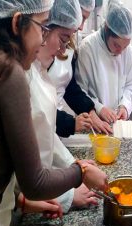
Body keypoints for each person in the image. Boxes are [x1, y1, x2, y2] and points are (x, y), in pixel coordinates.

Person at [0, 1, 107, 226]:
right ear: (16, 23)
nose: (41, 38)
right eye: (41, 26)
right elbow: (34, 182)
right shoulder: (6, 72)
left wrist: (21, 202)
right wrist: (81, 171)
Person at [21, 0, 99, 215]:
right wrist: (70, 186)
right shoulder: (18, 79)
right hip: (4, 208)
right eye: (63, 39)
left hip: (30, 196)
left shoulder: (38, 72)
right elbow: (17, 170)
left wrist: (73, 164)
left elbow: (45, 134)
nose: (63, 48)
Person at [48, 0, 113, 137]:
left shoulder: (68, 47)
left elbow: (71, 89)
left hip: (54, 128)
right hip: (47, 124)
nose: (82, 26)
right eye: (82, 17)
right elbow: (37, 110)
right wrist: (70, 123)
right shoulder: (40, 52)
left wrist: (91, 111)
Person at [75, 1, 132, 123]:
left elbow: (131, 85)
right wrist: (99, 108)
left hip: (118, 121)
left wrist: (124, 106)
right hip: (93, 120)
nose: (120, 52)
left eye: (124, 47)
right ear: (106, 30)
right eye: (116, 45)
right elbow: (80, 91)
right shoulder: (88, 47)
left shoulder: (129, 52)